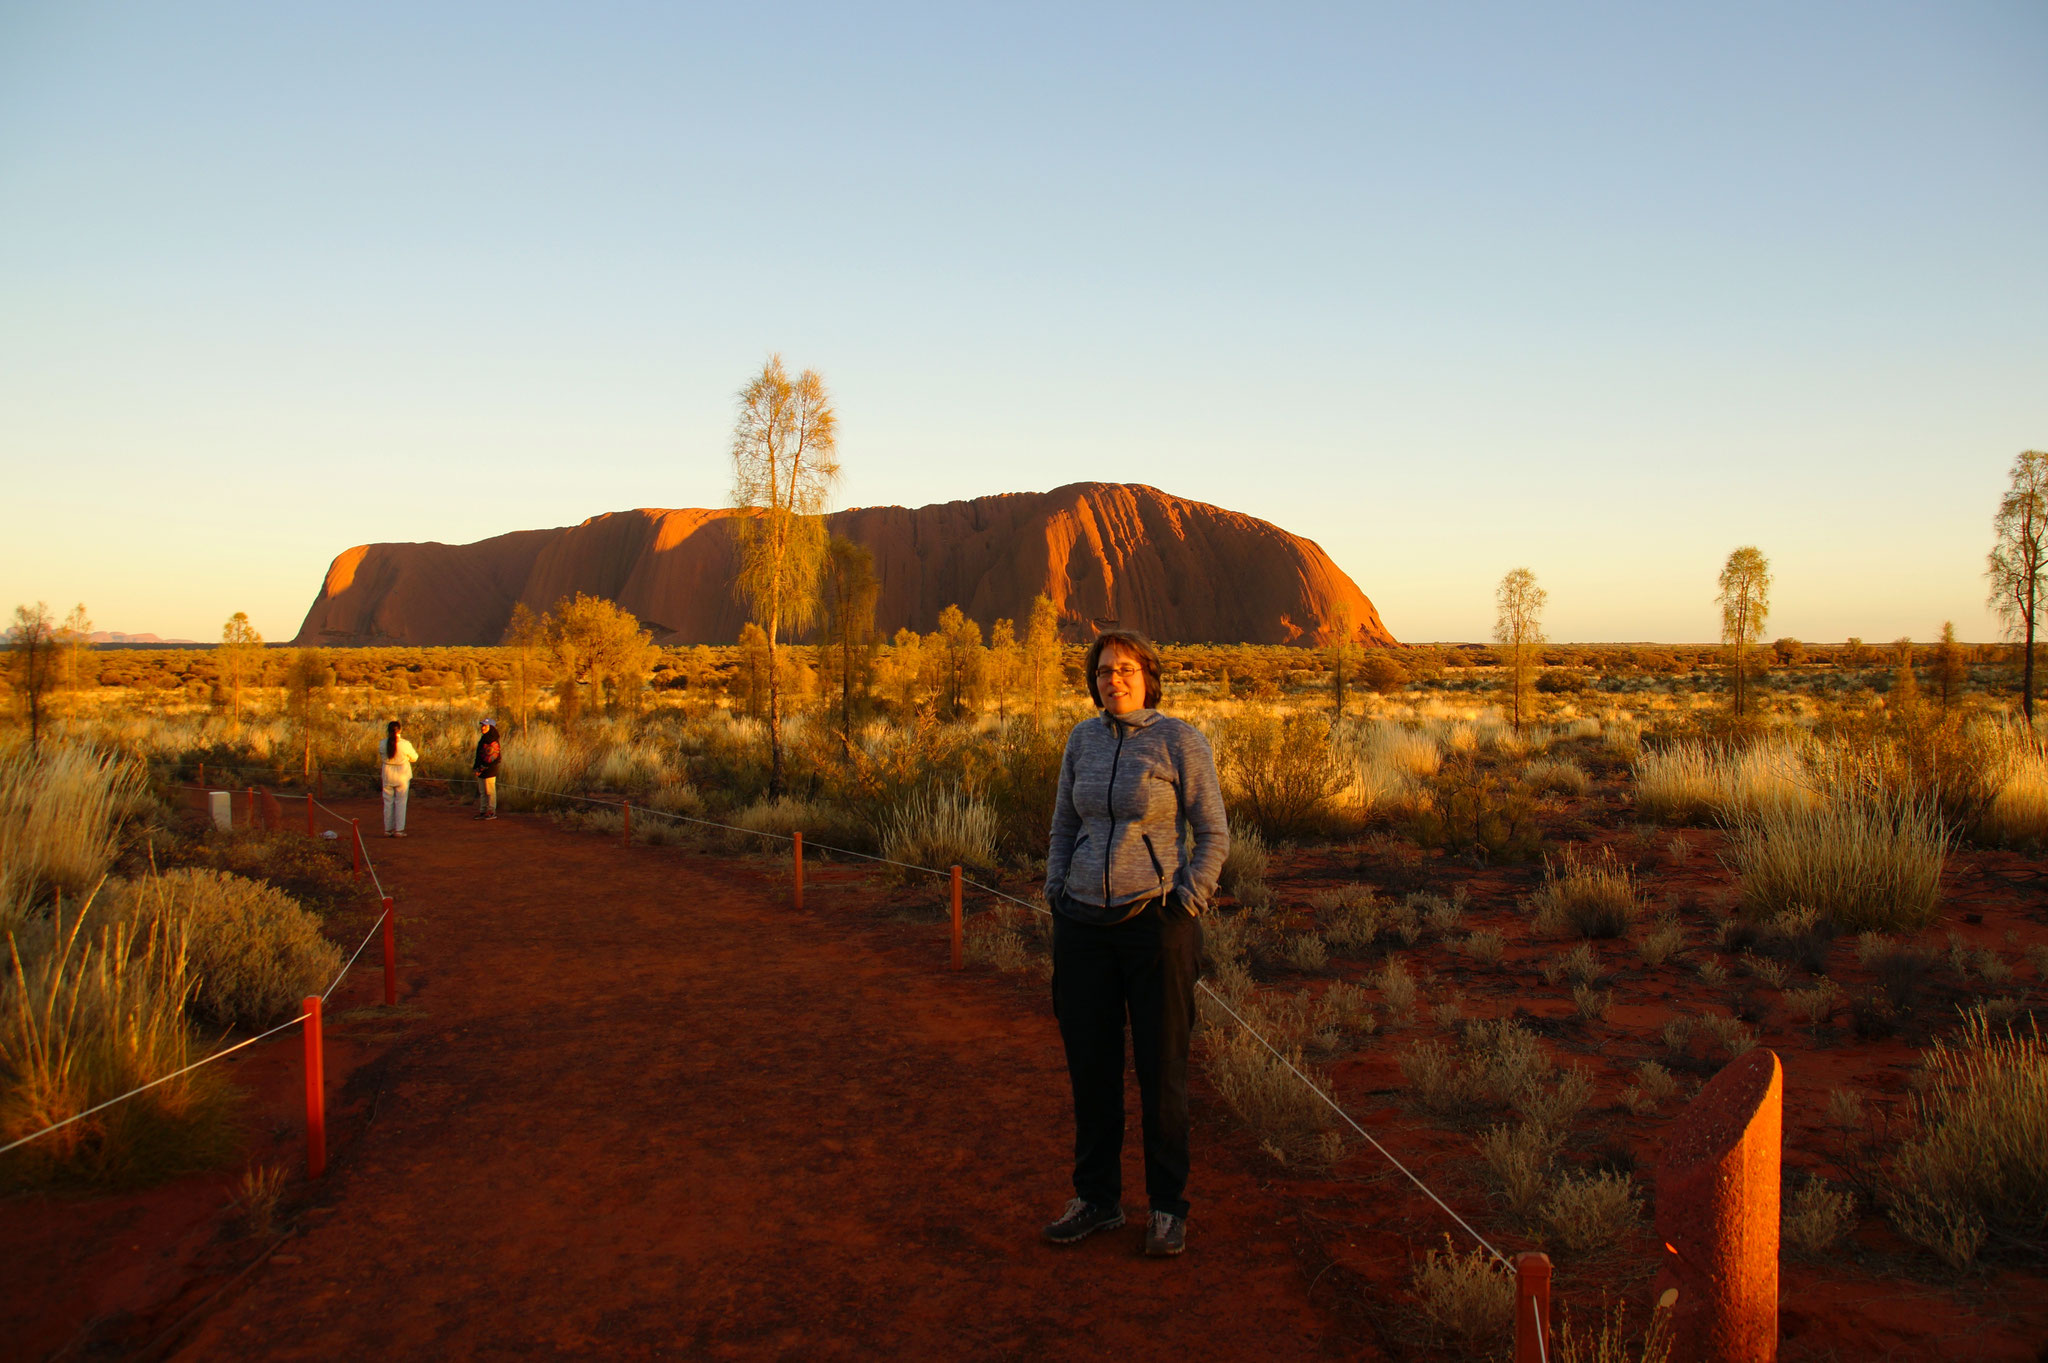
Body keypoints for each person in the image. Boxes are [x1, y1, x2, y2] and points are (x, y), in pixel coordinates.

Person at [1041, 628, 1228, 1258]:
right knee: (1091, 1071)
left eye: (1125, 669)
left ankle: (1168, 1209)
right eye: (1102, 671)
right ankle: (1097, 1200)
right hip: (1083, 926)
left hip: (1154, 926)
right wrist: (1056, 888)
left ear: (1148, 675)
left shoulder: (1179, 740)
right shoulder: (1082, 739)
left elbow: (1213, 832)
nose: (1113, 680)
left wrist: (1187, 901)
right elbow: (1065, 822)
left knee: (1161, 1071)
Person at [378, 719, 420, 838]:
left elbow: (382, 755)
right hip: (402, 774)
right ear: (400, 730)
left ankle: (388, 829)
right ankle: (399, 830)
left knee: (387, 802)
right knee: (400, 802)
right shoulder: (405, 744)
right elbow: (414, 757)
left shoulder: (382, 743)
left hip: (387, 773)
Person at [472, 719, 502, 820]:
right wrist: (476, 768)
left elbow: (492, 758)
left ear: (491, 728)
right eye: (482, 725)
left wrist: (481, 768)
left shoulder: (493, 740)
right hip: (481, 770)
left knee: (490, 792)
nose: (482, 727)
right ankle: (483, 811)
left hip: (489, 770)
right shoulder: (483, 738)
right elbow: (479, 755)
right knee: (483, 792)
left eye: (485, 726)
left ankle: (491, 812)